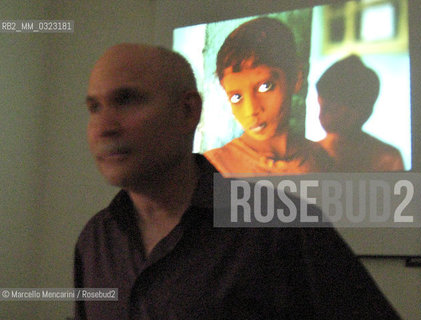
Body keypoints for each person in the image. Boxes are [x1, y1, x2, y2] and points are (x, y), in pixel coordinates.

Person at [74, 43, 400, 319]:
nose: (104, 127)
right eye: (94, 107)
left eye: (127, 101)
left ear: (188, 111)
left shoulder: (283, 228)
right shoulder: (95, 241)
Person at [204, 17, 333, 176]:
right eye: (236, 97)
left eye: (265, 87)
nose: (251, 110)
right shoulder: (214, 167)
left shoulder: (318, 160)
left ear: (296, 79)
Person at [316, 54, 404, 171]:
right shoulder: (309, 156)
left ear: (358, 111)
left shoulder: (387, 159)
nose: (322, 115)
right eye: (321, 105)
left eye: (332, 107)